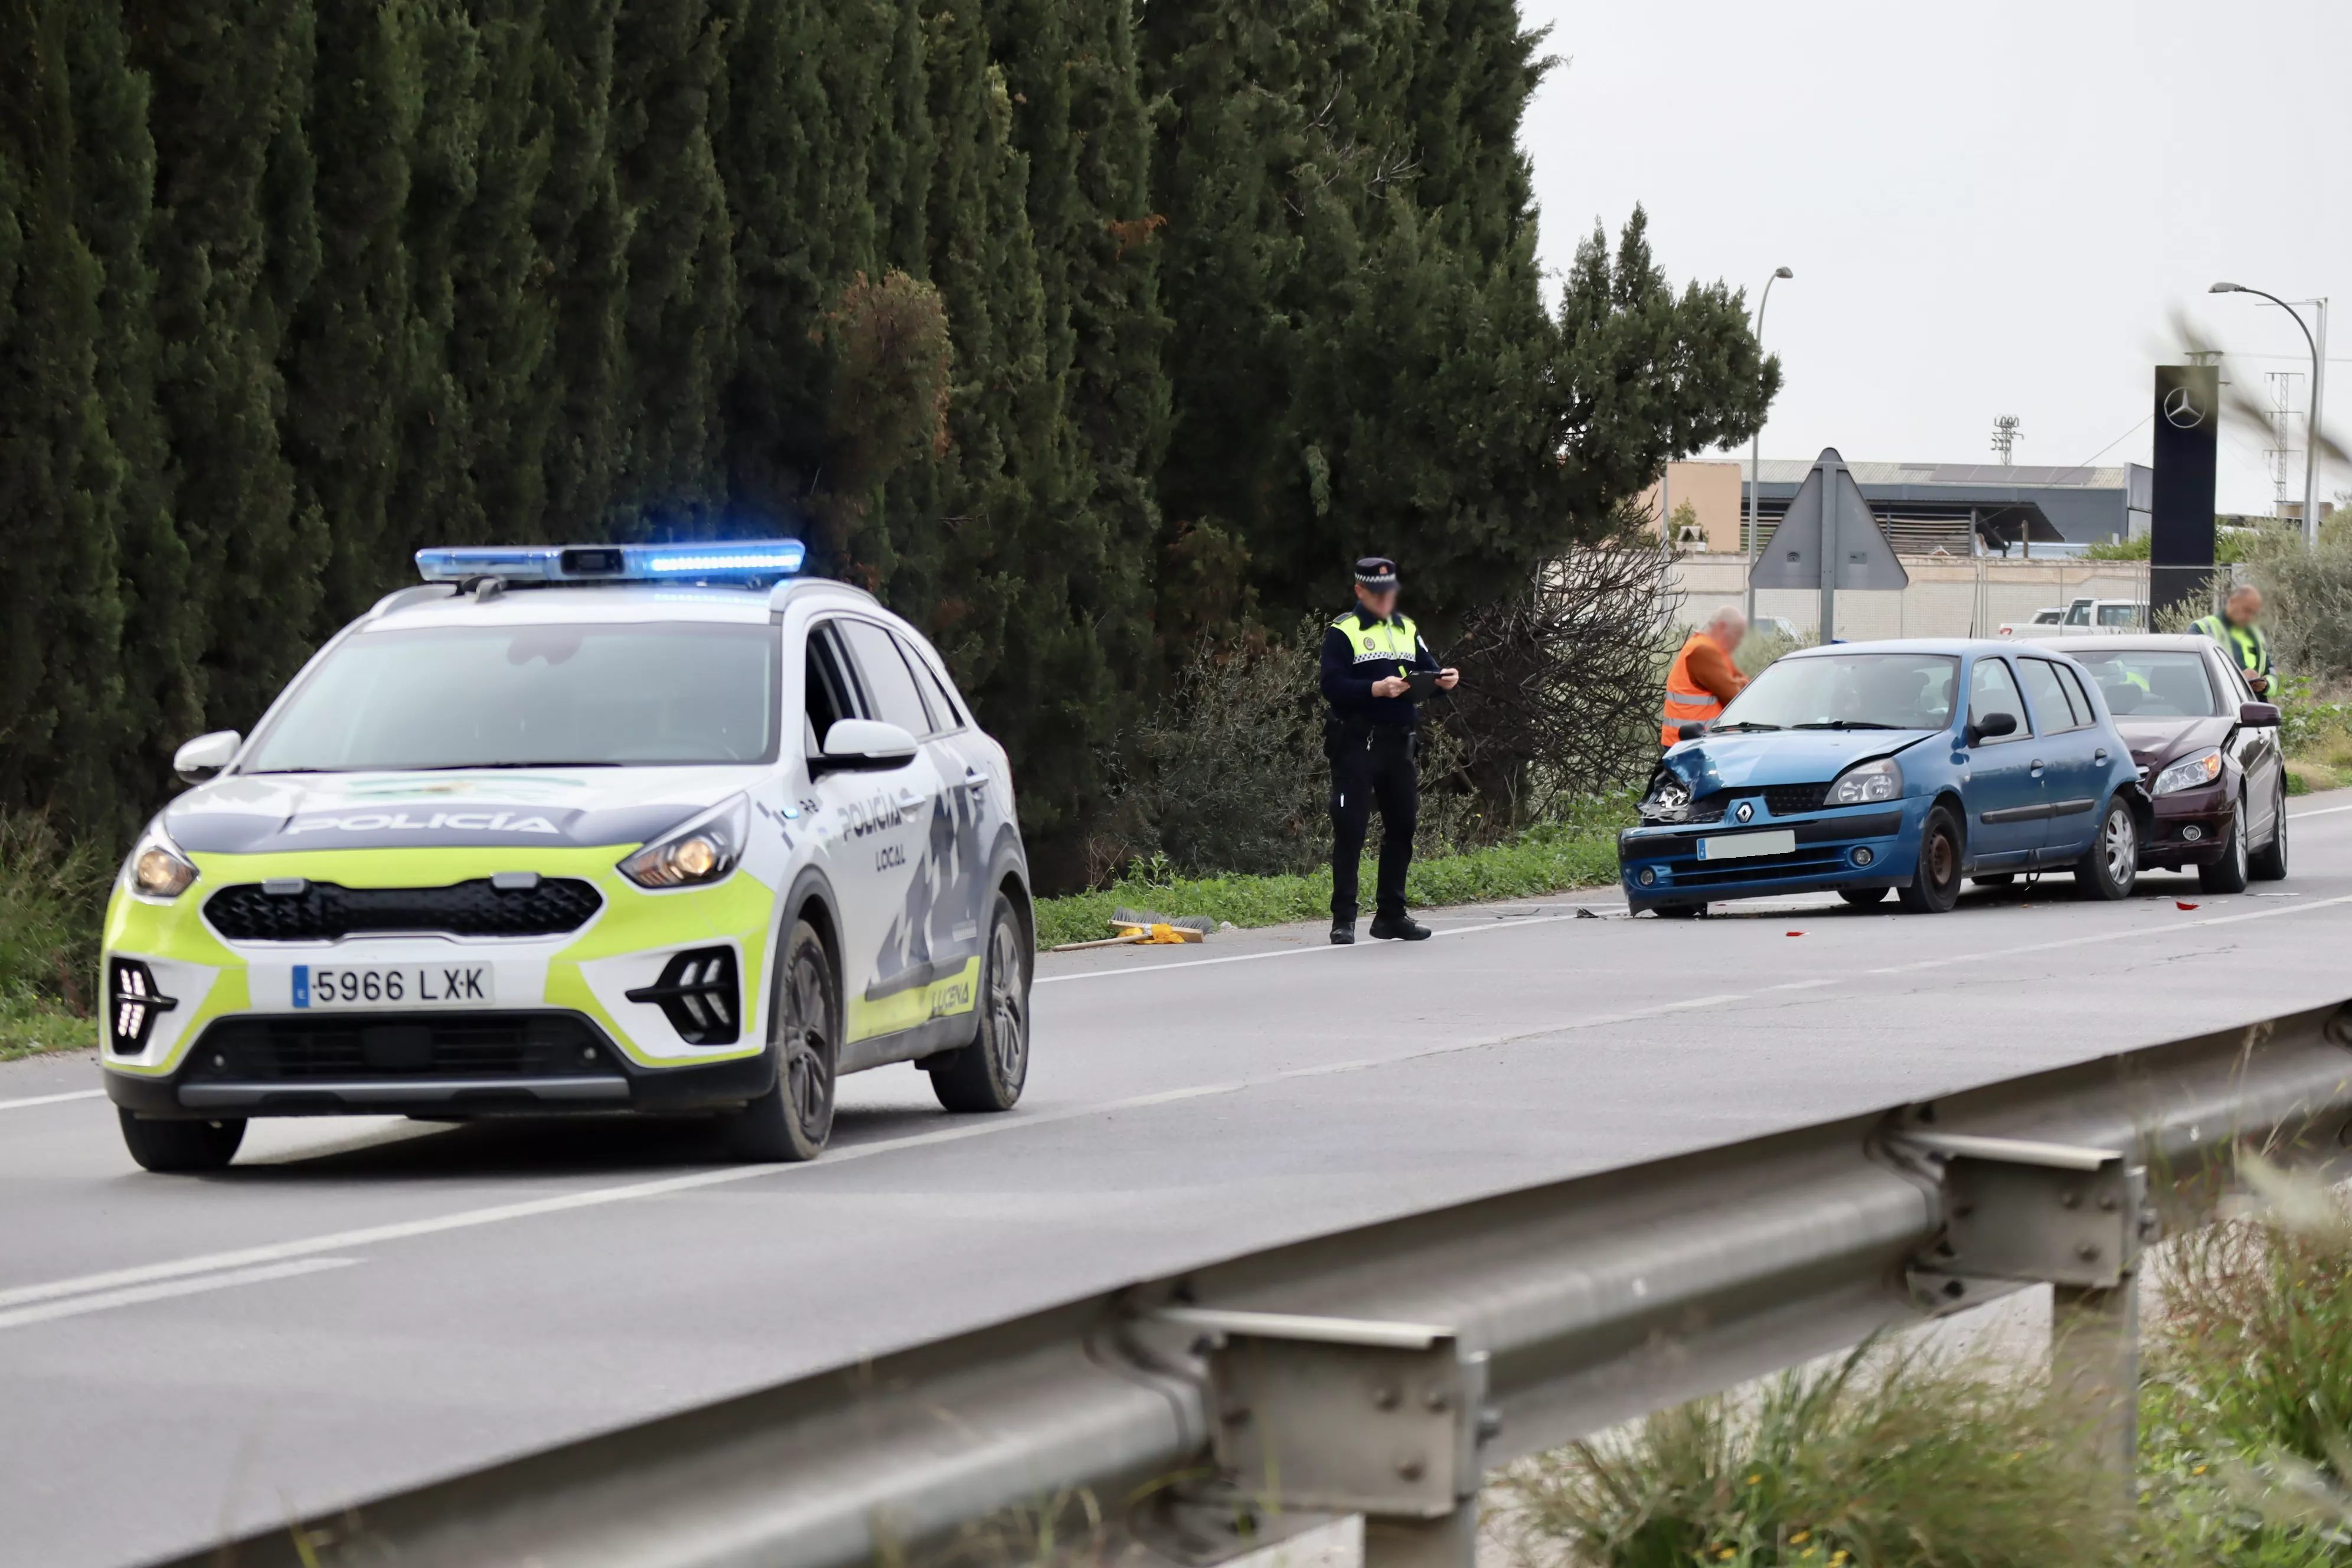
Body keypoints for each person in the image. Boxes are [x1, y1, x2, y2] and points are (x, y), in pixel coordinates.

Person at [1319, 557, 1459, 946]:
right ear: (1360, 592)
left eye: (1390, 592)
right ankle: (1343, 918)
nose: (1386, 599)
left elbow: (1428, 670)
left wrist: (1444, 680)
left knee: (1403, 827)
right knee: (1350, 828)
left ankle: (1391, 916)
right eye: (1378, 593)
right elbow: (1331, 685)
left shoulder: (1406, 627)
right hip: (1356, 743)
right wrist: (1374, 689)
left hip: (1399, 743)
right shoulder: (1343, 631)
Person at [1660, 606, 1749, 746]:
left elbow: (1745, 685)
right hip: (1691, 746)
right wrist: (1738, 683)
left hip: (1693, 742)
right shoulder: (1704, 651)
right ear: (1721, 627)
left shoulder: (1711, 650)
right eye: (1736, 636)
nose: (1738, 643)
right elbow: (1736, 697)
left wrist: (1738, 682)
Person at [2193, 584, 2276, 698]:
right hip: (2221, 709)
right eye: (2246, 610)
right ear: (2232, 602)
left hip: (2255, 710)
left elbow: (2271, 673)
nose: (2249, 617)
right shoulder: (2203, 628)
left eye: (2254, 613)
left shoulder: (2257, 635)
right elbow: (2194, 674)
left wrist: (2265, 685)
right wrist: (2238, 678)